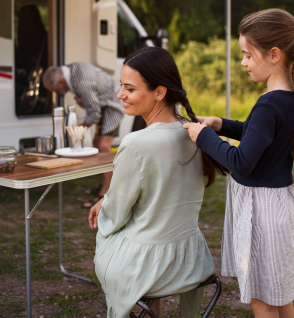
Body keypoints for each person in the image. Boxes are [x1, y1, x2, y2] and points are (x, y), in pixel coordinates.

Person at [184, 8, 294, 318]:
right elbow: (259, 135)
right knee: (280, 294)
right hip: (279, 205)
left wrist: (203, 136)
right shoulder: (291, 97)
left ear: (274, 54)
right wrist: (220, 124)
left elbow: (243, 162)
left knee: (262, 298)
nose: (243, 62)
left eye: (247, 55)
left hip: (261, 212)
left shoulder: (268, 102)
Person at [88, 47, 228, 318]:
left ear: (159, 92)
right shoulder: (195, 133)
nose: (119, 95)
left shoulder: (135, 143)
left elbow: (115, 216)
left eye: (129, 88)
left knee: (109, 236)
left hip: (148, 264)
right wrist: (107, 198)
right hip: (190, 257)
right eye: (121, 86)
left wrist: (106, 206)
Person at [43, 62, 124, 207]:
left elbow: (94, 114)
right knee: (97, 144)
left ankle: (106, 194)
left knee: (103, 146)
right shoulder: (70, 70)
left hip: (113, 103)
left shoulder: (79, 81)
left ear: (61, 81)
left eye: (56, 89)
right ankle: (106, 185)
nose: (59, 92)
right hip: (103, 104)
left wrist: (78, 129)